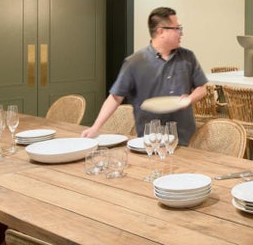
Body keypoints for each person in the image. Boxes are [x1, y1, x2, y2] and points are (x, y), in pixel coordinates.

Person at [82, 7, 208, 144]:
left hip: (185, 139)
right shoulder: (135, 62)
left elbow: (202, 88)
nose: (181, 33)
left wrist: (189, 99)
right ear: (161, 31)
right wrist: (95, 127)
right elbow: (115, 97)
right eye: (177, 28)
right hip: (149, 140)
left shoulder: (188, 57)